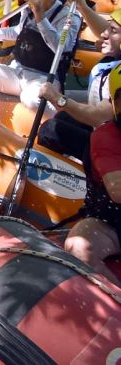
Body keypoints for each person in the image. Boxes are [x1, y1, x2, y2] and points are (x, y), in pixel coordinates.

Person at [37, 5, 121, 160]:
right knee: (63, 118)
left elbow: (100, 116)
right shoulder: (113, 61)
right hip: (109, 131)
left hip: (114, 151)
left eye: (113, 31)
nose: (103, 34)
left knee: (49, 130)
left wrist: (58, 99)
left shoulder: (118, 75)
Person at [63, 62, 121, 286]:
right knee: (79, 246)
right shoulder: (106, 136)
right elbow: (116, 191)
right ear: (115, 103)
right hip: (110, 223)